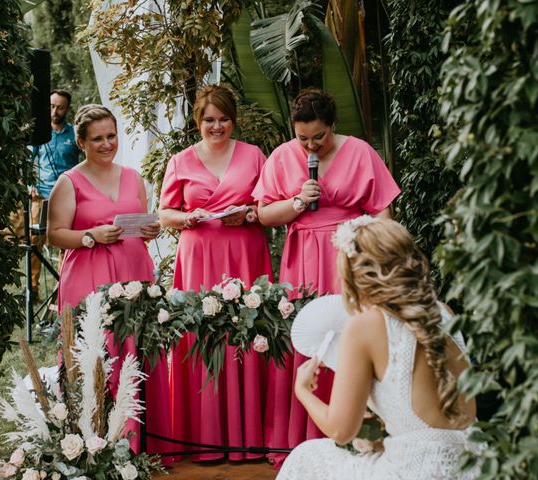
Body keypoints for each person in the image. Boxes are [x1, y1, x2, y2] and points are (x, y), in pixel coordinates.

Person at [252, 88, 401, 465]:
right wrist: (299, 201)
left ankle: (357, 432)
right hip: (301, 256)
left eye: (320, 136)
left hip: (348, 257)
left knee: (350, 335)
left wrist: (377, 256)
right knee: (306, 336)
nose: (311, 145)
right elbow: (265, 214)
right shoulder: (283, 156)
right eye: (303, 138)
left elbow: (383, 209)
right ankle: (300, 435)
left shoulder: (361, 152)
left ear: (333, 125)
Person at [277, 216, 479, 479]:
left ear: (354, 275)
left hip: (417, 470)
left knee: (306, 457)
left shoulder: (363, 327)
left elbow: (341, 430)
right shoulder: (443, 312)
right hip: (472, 463)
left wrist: (302, 389)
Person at [47, 104, 171, 459]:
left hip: (134, 275)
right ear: (81, 142)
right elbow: (54, 234)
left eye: (111, 136)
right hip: (88, 278)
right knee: (98, 352)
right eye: (97, 138)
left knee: (136, 348)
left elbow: (145, 224)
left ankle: (145, 442)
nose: (106, 144)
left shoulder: (133, 177)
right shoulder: (68, 182)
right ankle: (94, 441)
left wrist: (151, 228)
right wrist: (91, 235)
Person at [159, 84, 273, 461]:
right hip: (200, 254)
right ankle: (203, 435)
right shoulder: (180, 160)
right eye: (209, 119)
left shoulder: (255, 155)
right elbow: (165, 214)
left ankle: (249, 435)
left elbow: (269, 201)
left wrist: (251, 212)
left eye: (224, 119)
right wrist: (187, 217)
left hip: (244, 251)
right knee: (203, 334)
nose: (217, 126)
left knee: (248, 329)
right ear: (198, 121)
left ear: (233, 120)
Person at [28, 89, 81, 299]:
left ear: (67, 108)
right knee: (35, 240)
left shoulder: (73, 133)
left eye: (59, 107)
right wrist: (30, 185)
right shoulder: (40, 134)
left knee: (64, 241)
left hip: (67, 197)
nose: (54, 111)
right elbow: (28, 162)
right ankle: (32, 288)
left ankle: (63, 286)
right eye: (51, 106)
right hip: (41, 195)